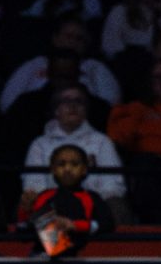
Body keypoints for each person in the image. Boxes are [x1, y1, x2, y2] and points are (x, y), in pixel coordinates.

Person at [20, 84, 127, 215]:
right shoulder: (40, 144)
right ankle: (53, 237)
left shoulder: (102, 141)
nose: (73, 106)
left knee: (116, 205)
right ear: (56, 110)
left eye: (79, 101)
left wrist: (86, 203)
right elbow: (33, 186)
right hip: (51, 206)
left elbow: (113, 186)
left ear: (86, 110)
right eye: (66, 101)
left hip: (94, 206)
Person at [17, 145, 117, 257]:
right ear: (53, 169)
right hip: (42, 260)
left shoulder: (92, 197)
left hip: (75, 260)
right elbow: (22, 232)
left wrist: (74, 225)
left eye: (74, 164)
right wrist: (24, 211)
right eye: (61, 164)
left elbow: (108, 224)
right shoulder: (44, 196)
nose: (67, 169)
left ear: (84, 169)